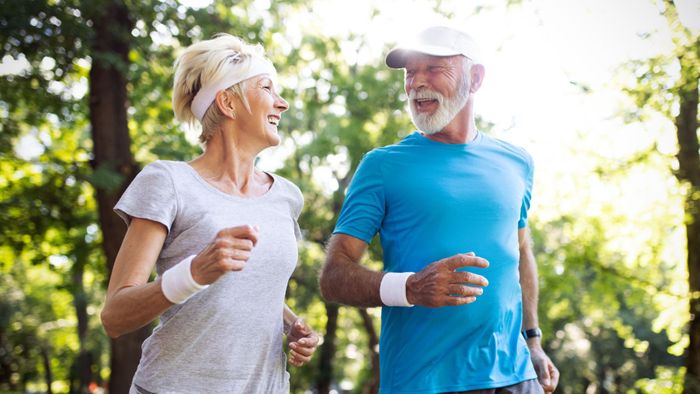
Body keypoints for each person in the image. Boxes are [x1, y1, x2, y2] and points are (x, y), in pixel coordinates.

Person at [319, 26, 559, 394]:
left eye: (433, 68)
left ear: (475, 78)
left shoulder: (517, 163)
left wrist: (533, 341)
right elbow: (333, 276)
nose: (416, 83)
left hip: (515, 377)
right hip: (424, 381)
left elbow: (520, 251)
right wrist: (411, 288)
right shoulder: (382, 166)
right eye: (410, 73)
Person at [100, 33, 319, 393]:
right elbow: (115, 317)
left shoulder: (286, 196)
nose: (283, 104)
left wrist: (292, 325)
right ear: (229, 103)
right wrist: (194, 272)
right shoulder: (169, 182)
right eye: (267, 88)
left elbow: (249, 290)